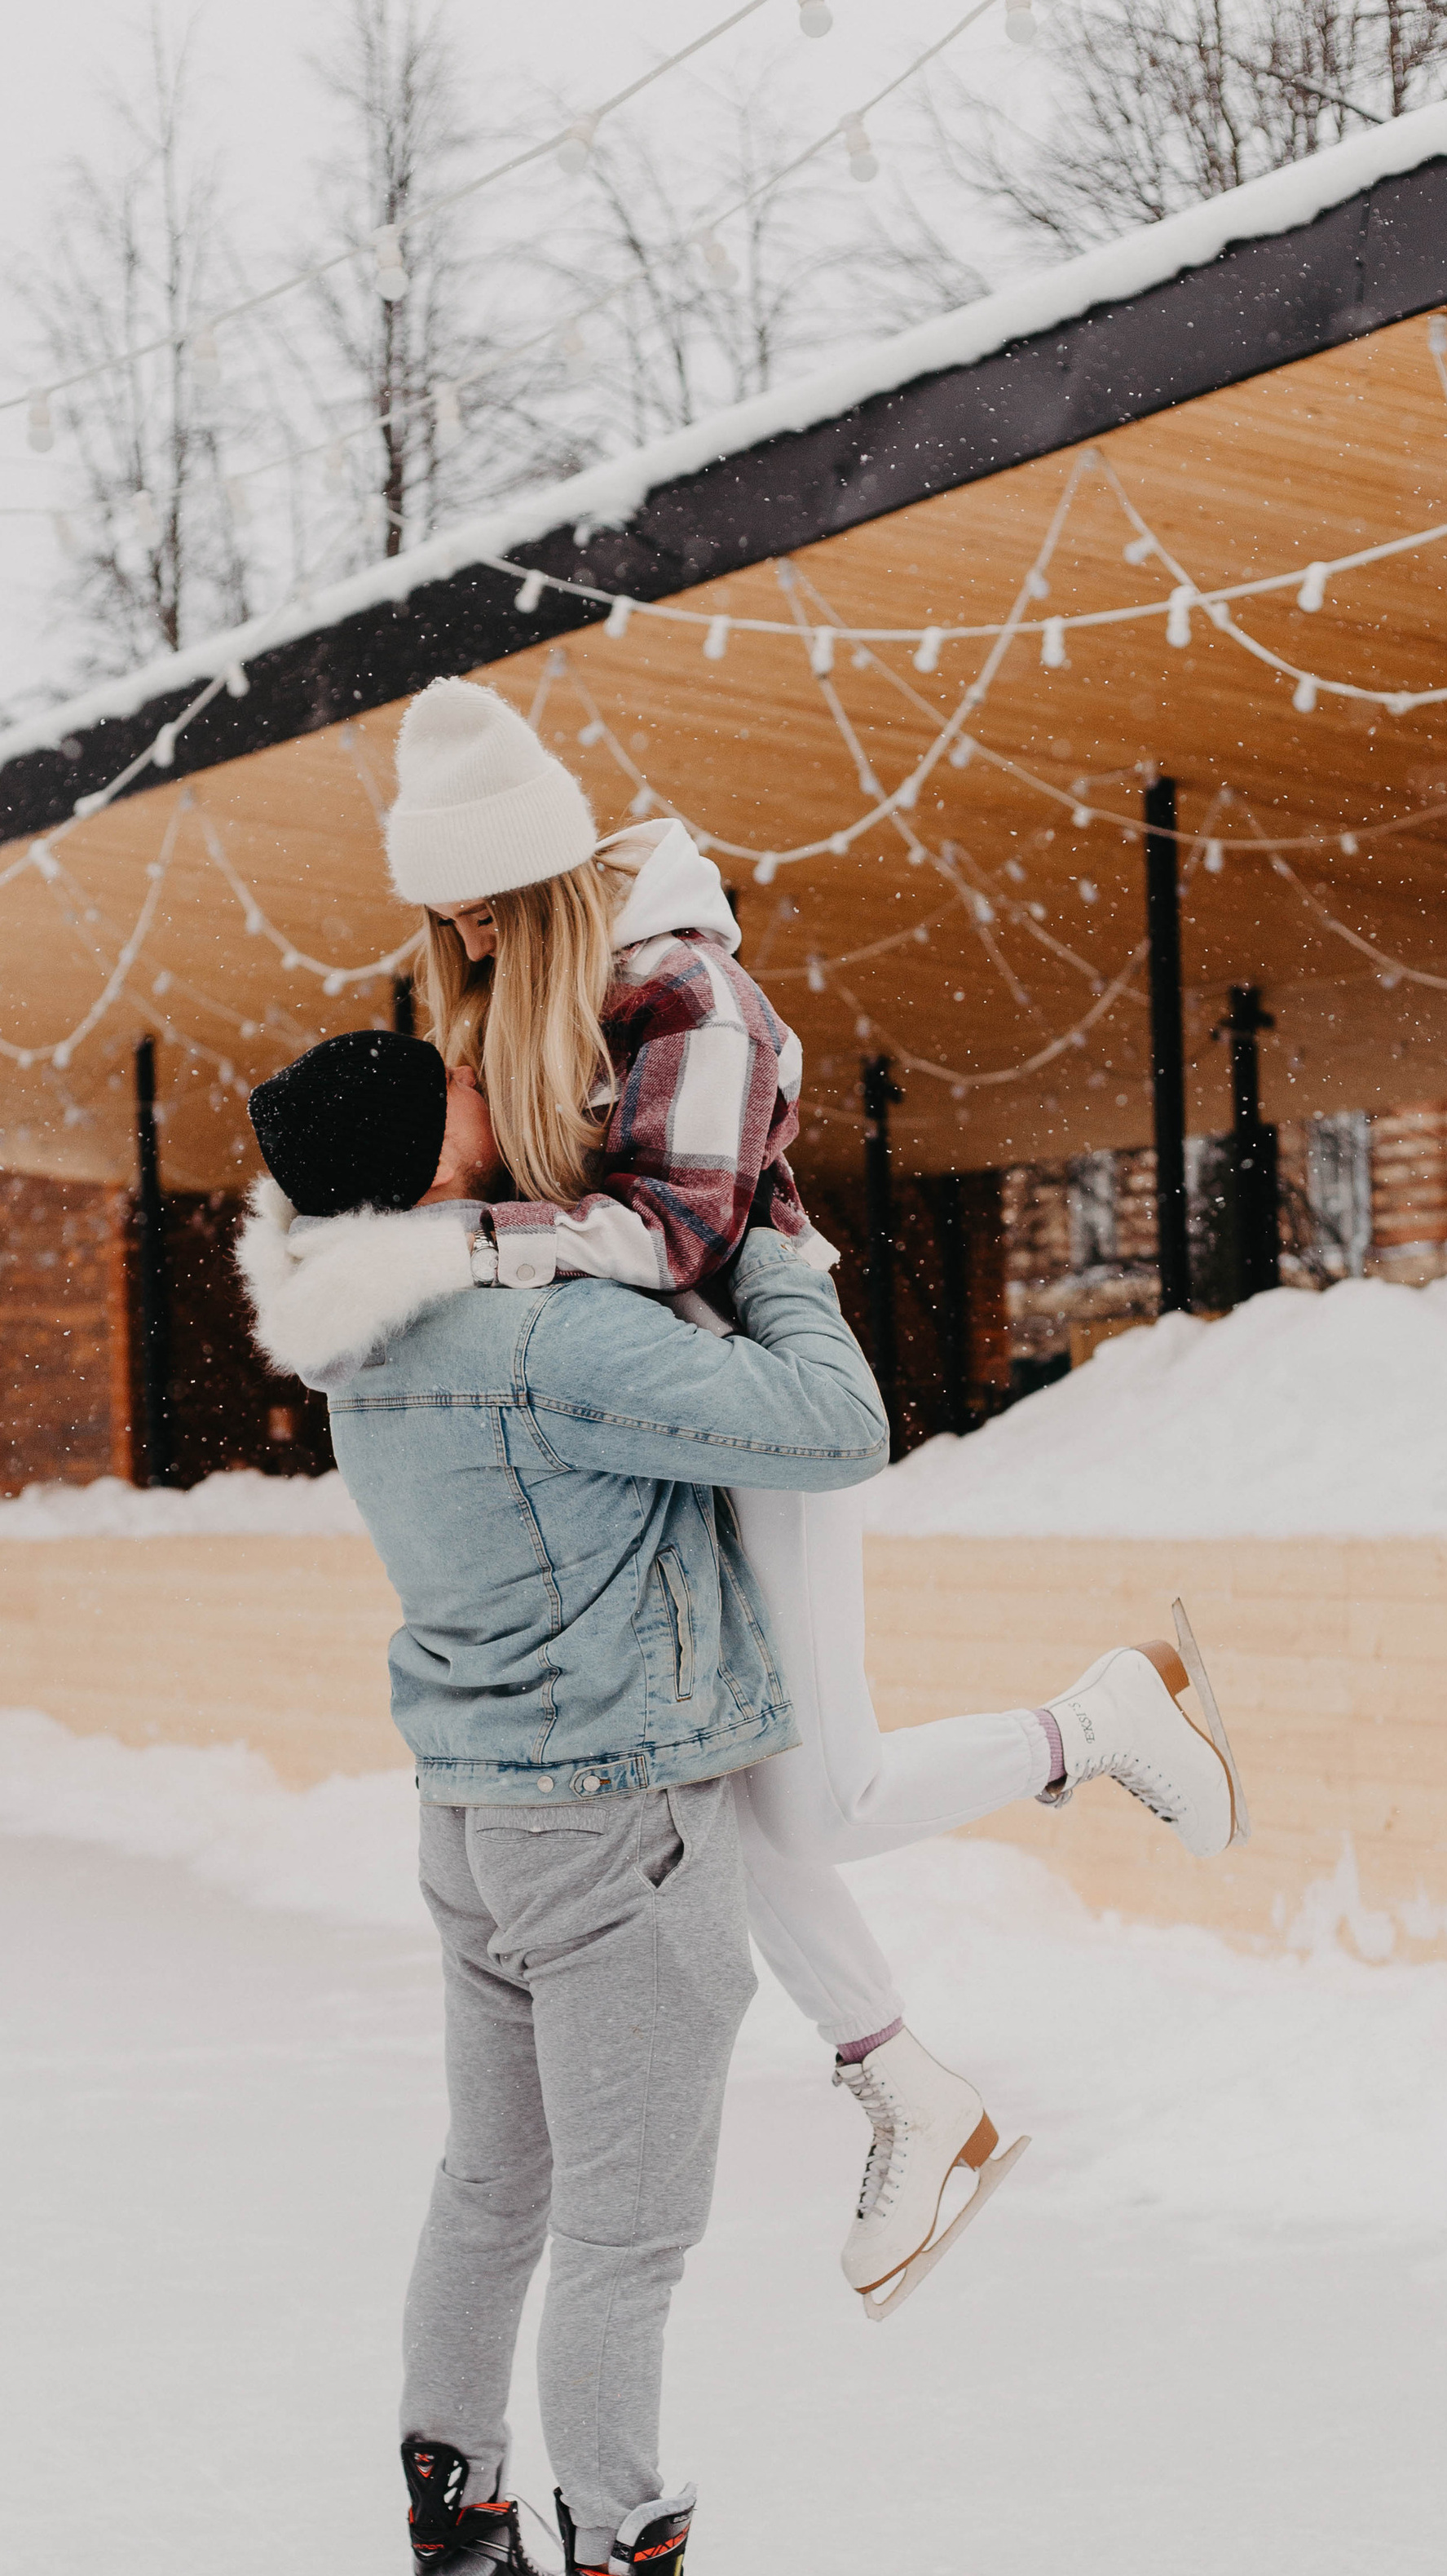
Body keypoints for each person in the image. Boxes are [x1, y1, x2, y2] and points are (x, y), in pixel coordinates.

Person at [367, 674, 1245, 2321]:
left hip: (765, 1394)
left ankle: (1096, 1724)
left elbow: (674, 1239)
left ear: (542, 885)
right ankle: (905, 2085)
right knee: (726, 1791)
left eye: (485, 918)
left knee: (813, 1800)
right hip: (643, 1421)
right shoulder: (536, 999)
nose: (469, 955)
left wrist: (458, 1250)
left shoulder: (688, 990)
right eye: (449, 928)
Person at [238, 1023, 891, 2576]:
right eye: (461, 1086)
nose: (502, 1093)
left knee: (495, 2189)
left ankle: (462, 2571)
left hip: (476, 1819)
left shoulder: (363, 1336)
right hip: (616, 1822)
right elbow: (836, 1430)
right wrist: (754, 1238)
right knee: (623, 2236)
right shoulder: (547, 1334)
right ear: (429, 1151)